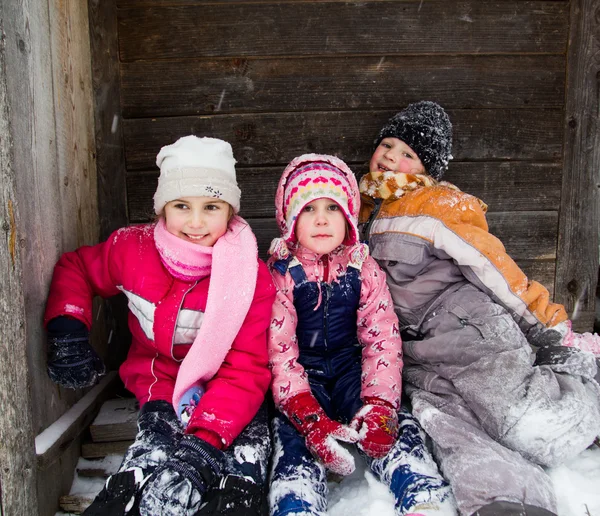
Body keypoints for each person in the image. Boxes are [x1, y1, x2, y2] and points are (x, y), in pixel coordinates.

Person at [358, 101, 600, 516]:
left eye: (408, 155)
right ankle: (506, 498)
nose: (392, 159)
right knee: (446, 425)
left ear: (426, 170)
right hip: (419, 356)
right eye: (388, 145)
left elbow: (495, 270)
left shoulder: (436, 206)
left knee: (532, 424)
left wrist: (547, 323)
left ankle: (583, 382)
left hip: (471, 332)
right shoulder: (361, 210)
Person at [44, 135, 276, 516]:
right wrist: (67, 326)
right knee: (150, 462)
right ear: (162, 208)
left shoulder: (250, 277)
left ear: (230, 212)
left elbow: (246, 366)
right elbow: (79, 268)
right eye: (182, 205)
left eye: (212, 206)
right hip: (157, 379)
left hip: (227, 386)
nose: (196, 222)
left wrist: (206, 438)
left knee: (224, 466)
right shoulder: (131, 249)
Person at [266, 154, 457, 516]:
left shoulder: (363, 268)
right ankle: (297, 499)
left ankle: (419, 488)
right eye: (309, 209)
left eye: (332, 208)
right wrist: (304, 409)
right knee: (294, 436)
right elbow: (279, 350)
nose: (322, 219)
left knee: (391, 426)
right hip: (303, 378)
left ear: (349, 216)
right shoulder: (281, 273)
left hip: (350, 367)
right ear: (290, 220)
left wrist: (381, 403)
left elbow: (382, 339)